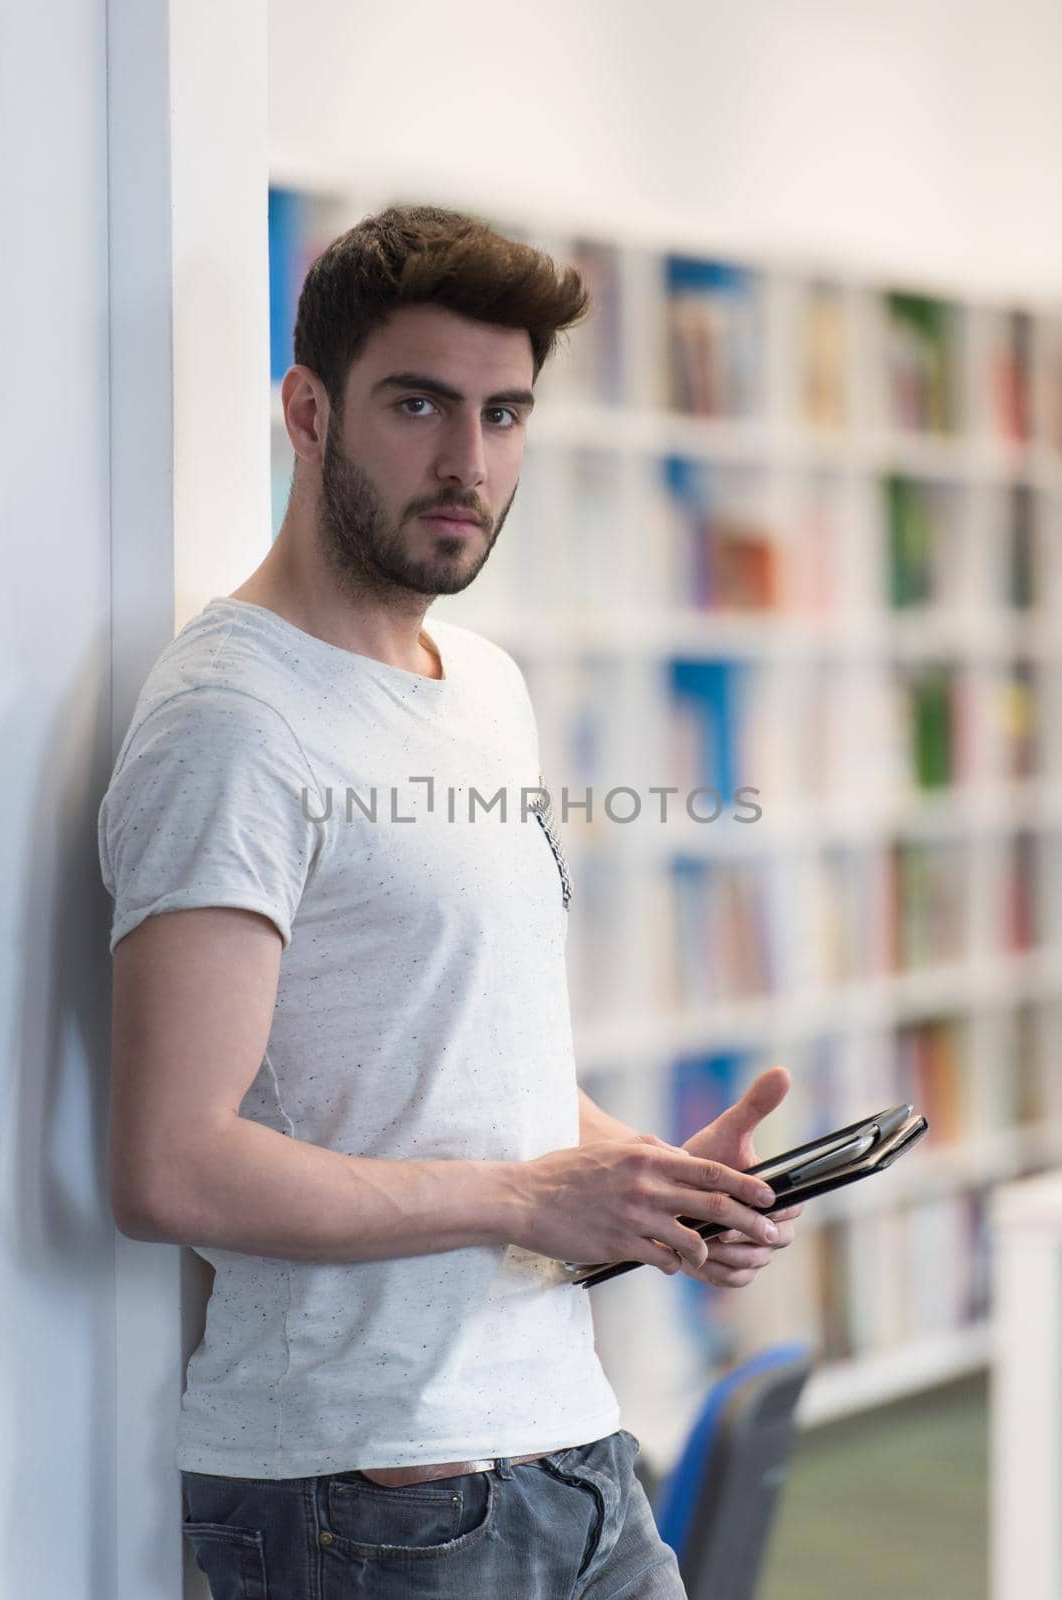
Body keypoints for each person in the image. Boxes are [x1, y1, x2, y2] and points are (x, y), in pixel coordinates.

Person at [99, 205, 801, 1600]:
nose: (467, 461)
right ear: (308, 412)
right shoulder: (230, 723)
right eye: (418, 404)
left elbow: (467, 1067)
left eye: (504, 413)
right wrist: (532, 1199)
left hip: (571, 1442)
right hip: (367, 1493)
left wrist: (644, 1182)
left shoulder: (481, 685)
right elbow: (167, 1164)